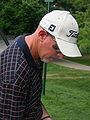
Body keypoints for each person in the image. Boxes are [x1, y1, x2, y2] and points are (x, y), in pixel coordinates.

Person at [0, 10, 82, 120]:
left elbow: (32, 100)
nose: (60, 56)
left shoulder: (32, 50)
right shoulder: (14, 74)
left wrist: (45, 117)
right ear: (42, 35)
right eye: (57, 48)